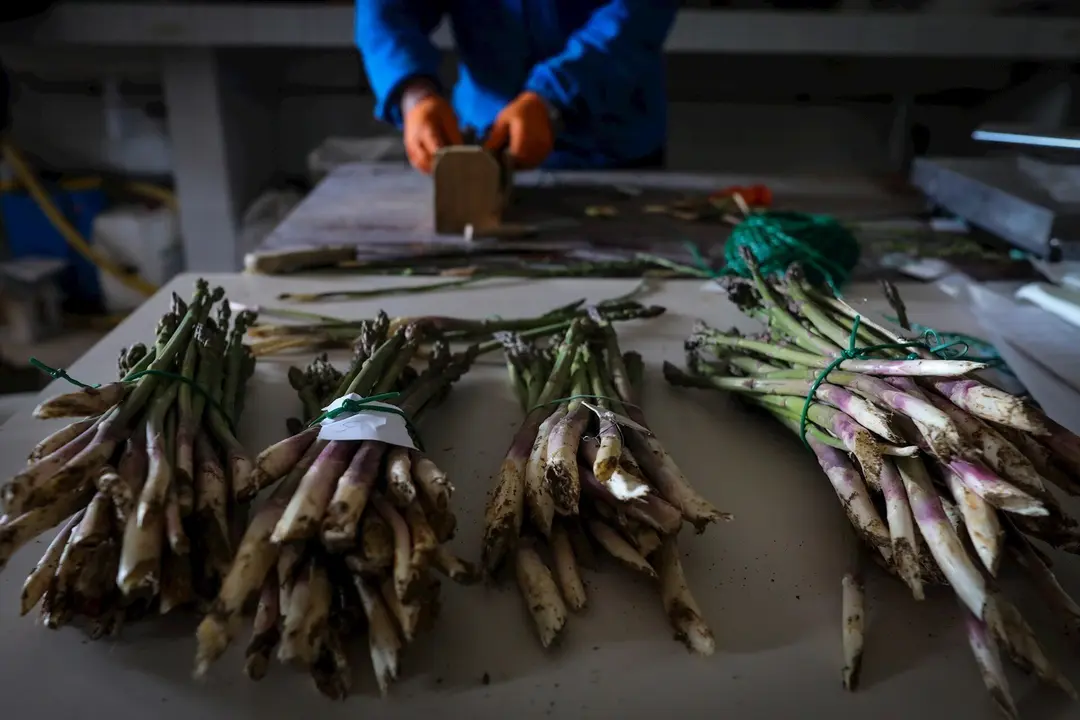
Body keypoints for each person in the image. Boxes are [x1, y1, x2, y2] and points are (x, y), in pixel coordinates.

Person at [355, 1, 677, 175]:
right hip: (482, 141)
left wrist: (551, 96)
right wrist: (414, 94)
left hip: (614, 149)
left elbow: (635, 16)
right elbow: (386, 11)